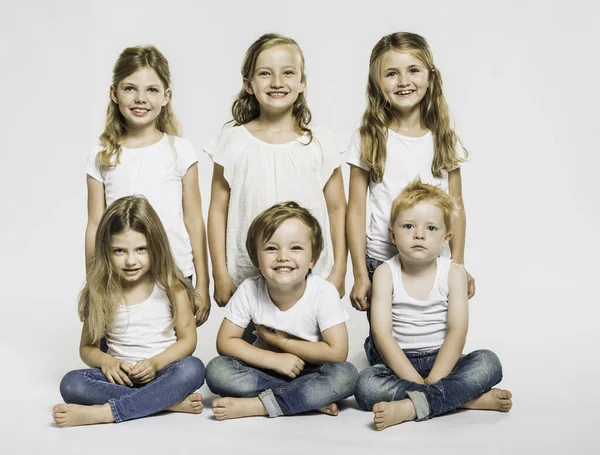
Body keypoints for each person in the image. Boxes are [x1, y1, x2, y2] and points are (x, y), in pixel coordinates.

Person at [346, 32, 474, 364]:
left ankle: (428, 388)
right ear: (378, 84)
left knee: (434, 343)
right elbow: (356, 210)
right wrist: (360, 272)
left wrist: (458, 264)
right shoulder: (368, 139)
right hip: (380, 260)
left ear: (431, 76)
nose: (404, 81)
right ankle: (434, 393)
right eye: (392, 73)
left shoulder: (444, 139)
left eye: (413, 70)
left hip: (435, 260)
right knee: (386, 355)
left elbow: (456, 208)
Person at [205, 33, 347, 314]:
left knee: (316, 355)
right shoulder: (233, 141)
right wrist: (219, 274)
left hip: (310, 278)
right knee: (246, 355)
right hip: (248, 280)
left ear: (302, 82)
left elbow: (337, 209)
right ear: (249, 84)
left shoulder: (321, 141)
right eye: (265, 73)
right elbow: (218, 210)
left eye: (288, 73)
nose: (277, 82)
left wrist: (340, 271)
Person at [354, 180, 512, 430]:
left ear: (446, 237)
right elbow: (382, 334)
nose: (419, 234)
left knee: (488, 362)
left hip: (444, 361)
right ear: (392, 234)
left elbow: (457, 331)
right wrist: (415, 380)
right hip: (399, 363)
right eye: (408, 226)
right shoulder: (385, 272)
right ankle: (464, 400)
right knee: (365, 385)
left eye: (431, 228)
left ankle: (410, 406)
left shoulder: (453, 272)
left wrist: (437, 377)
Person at [53, 196, 206, 427]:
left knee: (193, 369)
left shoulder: (171, 286)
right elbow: (87, 348)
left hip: (163, 373)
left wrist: (154, 364)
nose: (130, 260)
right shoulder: (102, 291)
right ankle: (165, 402)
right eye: (119, 251)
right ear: (106, 250)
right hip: (119, 379)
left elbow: (188, 341)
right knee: (71, 383)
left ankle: (107, 412)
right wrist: (107, 362)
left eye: (141, 249)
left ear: (155, 246)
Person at [85, 45, 210, 326]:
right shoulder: (102, 156)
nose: (141, 99)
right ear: (114, 93)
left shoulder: (180, 150)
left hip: (175, 276)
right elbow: (95, 224)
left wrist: (203, 282)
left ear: (166, 96)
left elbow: (193, 220)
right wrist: (94, 286)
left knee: (175, 361)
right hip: (120, 274)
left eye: (152, 90)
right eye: (130, 88)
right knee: (121, 356)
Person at [205, 202, 358, 420]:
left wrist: (283, 343)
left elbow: (336, 352)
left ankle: (261, 405)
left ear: (313, 259)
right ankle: (305, 400)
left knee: (346, 376)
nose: (283, 256)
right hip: (264, 370)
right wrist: (274, 360)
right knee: (217, 371)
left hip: (312, 373)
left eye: (295, 248)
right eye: (271, 248)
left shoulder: (323, 292)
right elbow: (225, 342)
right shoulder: (249, 290)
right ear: (256, 258)